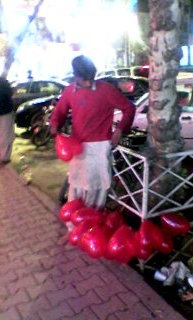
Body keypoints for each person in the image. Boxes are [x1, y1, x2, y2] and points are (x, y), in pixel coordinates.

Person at [50, 55, 135, 230]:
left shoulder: (106, 90)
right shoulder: (68, 92)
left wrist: (120, 129)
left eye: (91, 79)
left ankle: (92, 226)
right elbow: (59, 112)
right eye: (85, 80)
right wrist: (54, 125)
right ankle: (74, 226)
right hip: (78, 146)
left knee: (97, 186)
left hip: (101, 145)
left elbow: (129, 108)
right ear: (75, 76)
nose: (89, 84)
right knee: (76, 184)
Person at [0, 63, 15, 169]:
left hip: (1, 113)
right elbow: (10, 95)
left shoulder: (3, 82)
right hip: (5, 114)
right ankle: (3, 160)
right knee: (4, 137)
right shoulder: (3, 82)